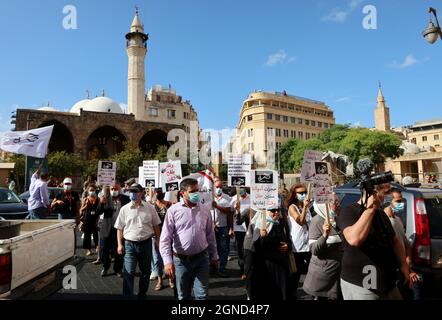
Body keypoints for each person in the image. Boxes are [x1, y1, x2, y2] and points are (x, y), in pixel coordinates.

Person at [338, 184, 415, 300]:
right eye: (387, 192)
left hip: (388, 282)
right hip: (362, 284)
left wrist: (404, 266)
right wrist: (370, 209)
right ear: (373, 193)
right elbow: (354, 239)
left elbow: (395, 241)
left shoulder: (381, 214)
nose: (389, 196)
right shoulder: (349, 211)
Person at [160, 178, 218, 300]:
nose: (196, 193)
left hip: (202, 259)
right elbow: (165, 238)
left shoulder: (204, 210)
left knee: (202, 295)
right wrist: (167, 261)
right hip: (181, 261)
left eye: (197, 190)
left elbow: (210, 235)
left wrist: (214, 256)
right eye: (192, 191)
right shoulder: (173, 211)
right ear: (182, 193)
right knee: (182, 296)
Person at [115, 183, 161, 299]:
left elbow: (156, 226)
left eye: (135, 191)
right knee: (128, 272)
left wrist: (158, 241)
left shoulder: (149, 208)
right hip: (129, 245)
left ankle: (142, 294)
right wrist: (120, 244)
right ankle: (127, 296)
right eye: (131, 191)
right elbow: (120, 228)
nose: (133, 194)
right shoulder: (124, 209)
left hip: (146, 244)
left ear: (141, 193)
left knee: (145, 272)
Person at [247, 207, 293, 300]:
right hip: (266, 267)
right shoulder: (260, 225)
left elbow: (289, 239)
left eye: (278, 210)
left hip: (281, 266)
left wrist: (287, 246)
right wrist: (262, 237)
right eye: (272, 210)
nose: (276, 213)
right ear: (266, 212)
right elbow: (255, 248)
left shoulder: (282, 223)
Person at [303, 196, 343, 300]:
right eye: (335, 202)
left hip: (338, 274)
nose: (338, 204)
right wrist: (324, 235)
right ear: (324, 206)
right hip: (323, 277)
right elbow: (314, 250)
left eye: (338, 201)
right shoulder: (317, 221)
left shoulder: (337, 218)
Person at [384, 188, 420, 299]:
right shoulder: (385, 221)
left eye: (402, 201)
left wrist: (409, 266)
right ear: (389, 202)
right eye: (398, 201)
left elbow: (406, 245)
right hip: (395, 270)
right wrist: (407, 270)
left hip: (404, 268)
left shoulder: (398, 220)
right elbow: (393, 248)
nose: (401, 204)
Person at [97, 184, 130, 276]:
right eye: (112, 189)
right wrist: (101, 203)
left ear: (119, 189)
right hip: (106, 229)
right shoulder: (106, 198)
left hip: (119, 230)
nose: (113, 190)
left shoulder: (126, 199)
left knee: (119, 250)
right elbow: (98, 212)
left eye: (115, 188)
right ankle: (105, 266)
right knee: (103, 249)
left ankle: (118, 269)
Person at [285, 183, 312, 299]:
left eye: (305, 192)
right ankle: (291, 295)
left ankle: (314, 293)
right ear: (295, 195)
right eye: (301, 193)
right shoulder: (292, 207)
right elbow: (300, 221)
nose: (304, 195)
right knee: (295, 274)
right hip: (297, 246)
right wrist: (305, 207)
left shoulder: (307, 207)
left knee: (312, 271)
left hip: (309, 245)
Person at [150, 188, 173, 290]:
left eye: (161, 192)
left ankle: (171, 278)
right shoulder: (151, 206)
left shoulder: (169, 204)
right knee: (157, 258)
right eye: (158, 192)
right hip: (156, 236)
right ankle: (160, 280)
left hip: (168, 235)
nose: (160, 194)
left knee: (169, 256)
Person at [211, 180, 233, 277]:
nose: (219, 189)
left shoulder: (227, 198)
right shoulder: (208, 198)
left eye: (220, 187)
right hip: (210, 229)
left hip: (222, 227)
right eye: (217, 187)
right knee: (211, 249)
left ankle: (222, 269)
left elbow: (229, 212)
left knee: (223, 249)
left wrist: (230, 228)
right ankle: (212, 268)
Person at [231, 188, 250, 280]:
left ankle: (249, 270)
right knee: (241, 251)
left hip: (251, 230)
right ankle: (243, 271)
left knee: (249, 251)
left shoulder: (253, 198)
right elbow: (232, 215)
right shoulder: (234, 199)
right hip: (239, 230)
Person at [80, 185, 100, 256]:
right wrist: (86, 205)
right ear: (88, 192)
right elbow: (81, 210)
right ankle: (88, 250)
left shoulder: (98, 199)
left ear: (95, 191)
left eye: (93, 190)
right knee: (87, 235)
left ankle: (97, 247)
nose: (92, 192)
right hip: (87, 219)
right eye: (90, 190)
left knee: (96, 234)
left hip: (95, 219)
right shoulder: (86, 199)